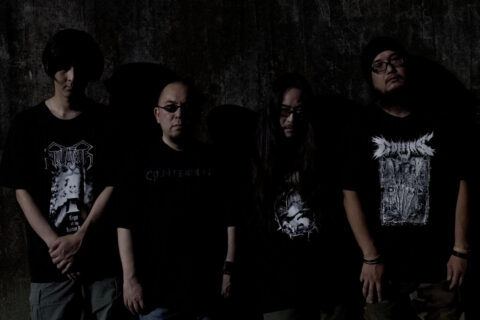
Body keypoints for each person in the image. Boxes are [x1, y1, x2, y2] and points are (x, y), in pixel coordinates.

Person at [342, 37, 471, 319]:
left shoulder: (440, 119)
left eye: (395, 60)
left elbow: (464, 182)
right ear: (370, 78)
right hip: (383, 273)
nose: (389, 68)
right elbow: (349, 193)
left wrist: (460, 250)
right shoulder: (360, 126)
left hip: (438, 270)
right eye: (379, 65)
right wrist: (369, 255)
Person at [0, 29, 121, 319]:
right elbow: (21, 189)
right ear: (50, 68)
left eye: (79, 69)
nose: (72, 77)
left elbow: (113, 182)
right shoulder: (26, 124)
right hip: (50, 269)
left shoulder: (105, 122)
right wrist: (57, 246)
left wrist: (81, 237)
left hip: (102, 267)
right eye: (64, 68)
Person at [116, 74, 235, 320]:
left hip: (206, 292)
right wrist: (130, 280)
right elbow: (125, 223)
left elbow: (231, 218)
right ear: (157, 114)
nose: (178, 114)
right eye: (171, 108)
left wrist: (229, 271)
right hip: (156, 295)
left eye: (186, 107)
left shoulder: (214, 160)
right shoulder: (139, 161)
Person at [252, 73, 357, 320]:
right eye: (284, 110)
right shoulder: (258, 159)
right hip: (278, 287)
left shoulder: (325, 155)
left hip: (326, 283)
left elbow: (339, 221)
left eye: (299, 111)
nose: (291, 119)